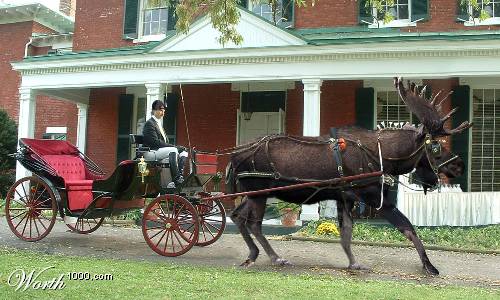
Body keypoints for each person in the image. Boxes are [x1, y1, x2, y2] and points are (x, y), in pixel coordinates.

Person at [142, 100, 188, 186]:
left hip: (158, 150)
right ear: (154, 111)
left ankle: (180, 176)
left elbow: (163, 142)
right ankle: (176, 178)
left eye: (164, 110)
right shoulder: (149, 124)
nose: (163, 112)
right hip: (150, 151)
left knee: (184, 152)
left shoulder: (158, 124)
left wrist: (177, 148)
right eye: (161, 110)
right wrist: (174, 147)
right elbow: (155, 142)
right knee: (173, 150)